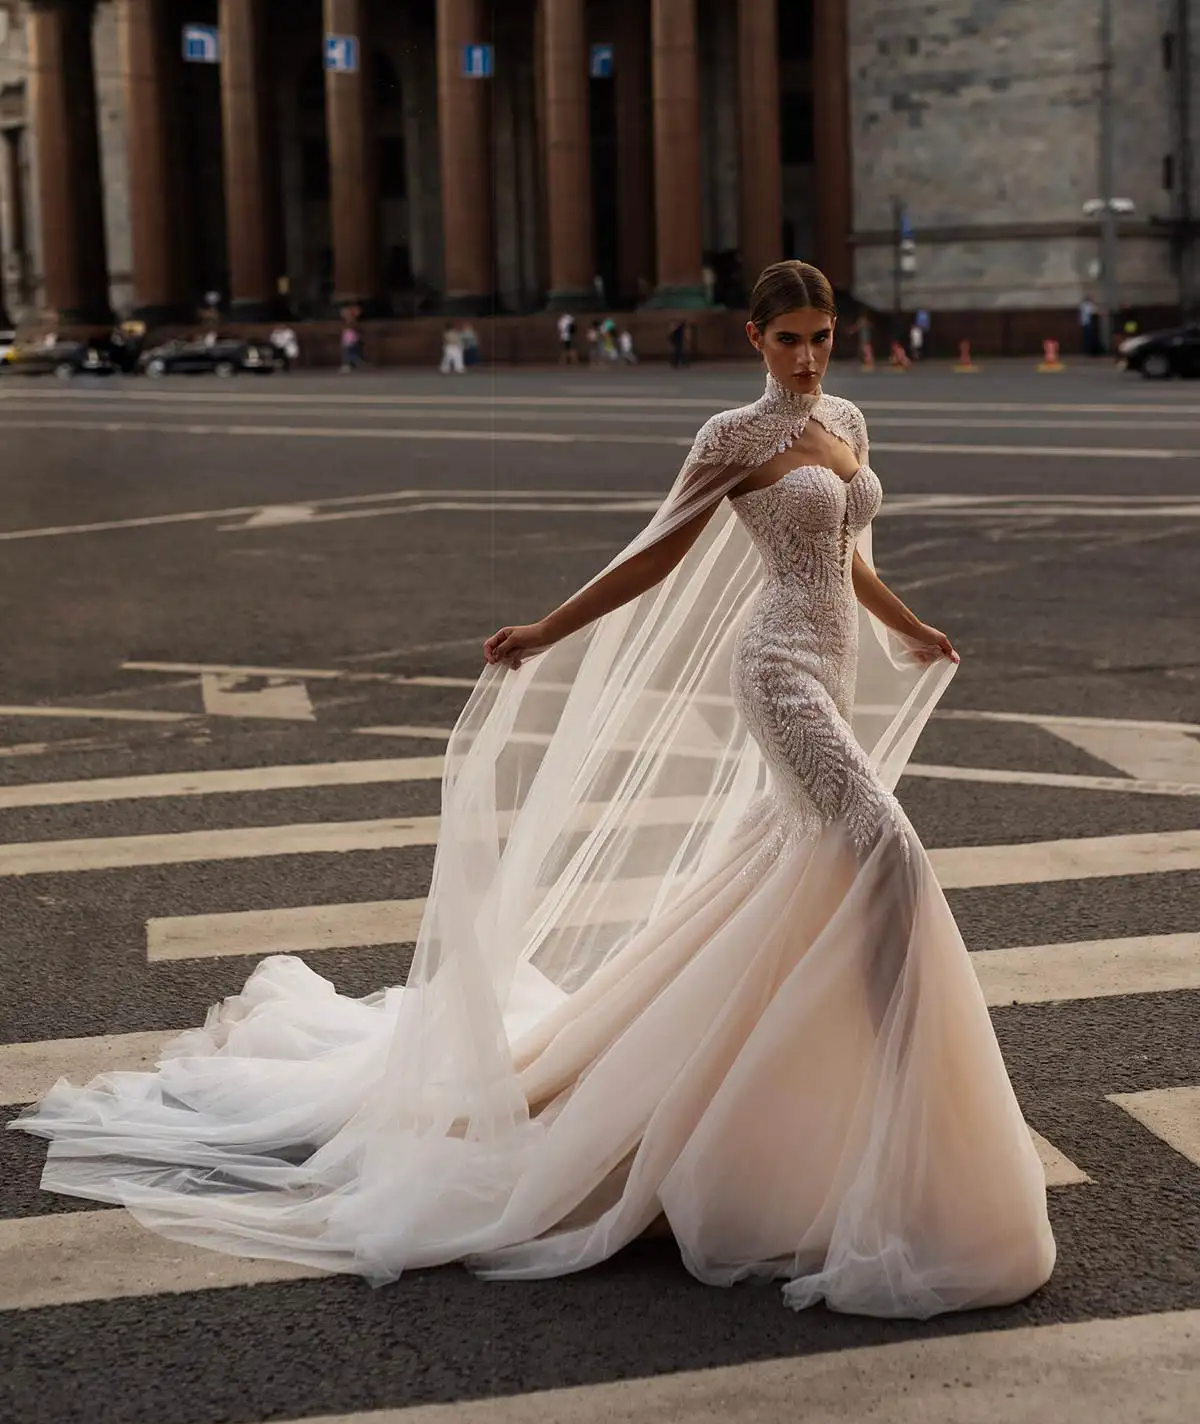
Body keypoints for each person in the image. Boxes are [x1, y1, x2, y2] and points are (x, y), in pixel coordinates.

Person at [11, 260, 1056, 1322]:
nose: (807, 355)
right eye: (788, 338)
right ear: (752, 338)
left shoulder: (847, 419)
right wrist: (551, 628)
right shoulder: (733, 440)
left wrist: (909, 626)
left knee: (801, 874)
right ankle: (902, 1078)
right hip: (777, 671)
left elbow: (850, 555)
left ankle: (757, 1091)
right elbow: (652, 557)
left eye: (820, 336)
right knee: (885, 849)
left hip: (829, 659)